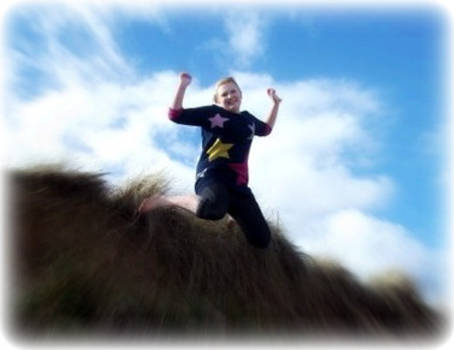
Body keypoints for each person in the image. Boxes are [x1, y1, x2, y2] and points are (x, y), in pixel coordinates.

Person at [139, 73, 282, 248]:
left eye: (233, 92)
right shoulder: (212, 113)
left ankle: (234, 214)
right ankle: (167, 201)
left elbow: (266, 129)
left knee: (261, 240)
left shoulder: (249, 120)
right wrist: (182, 85)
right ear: (218, 100)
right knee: (211, 209)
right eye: (224, 94)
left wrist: (275, 104)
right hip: (211, 177)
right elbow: (175, 114)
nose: (230, 96)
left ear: (241, 94)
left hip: (239, 186)